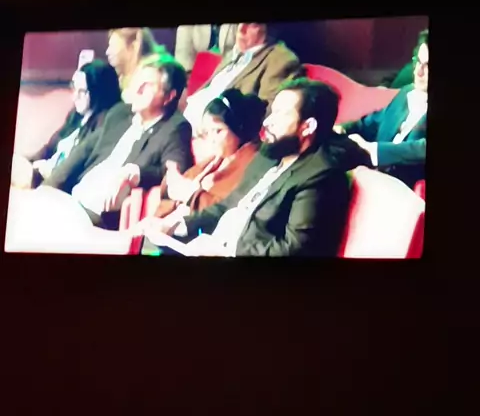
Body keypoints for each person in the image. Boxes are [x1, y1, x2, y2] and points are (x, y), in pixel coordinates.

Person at [142, 79, 351, 258]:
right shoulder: (268, 156)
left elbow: (294, 248)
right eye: (272, 112)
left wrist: (227, 251)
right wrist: (176, 225)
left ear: (308, 126)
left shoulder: (321, 176)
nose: (268, 121)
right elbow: (227, 206)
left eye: (281, 114)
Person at [44, 54, 193, 228]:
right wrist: (47, 190)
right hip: (73, 200)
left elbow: (173, 173)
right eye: (137, 82)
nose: (137, 90)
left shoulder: (175, 127)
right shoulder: (120, 113)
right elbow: (82, 152)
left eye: (146, 85)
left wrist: (136, 172)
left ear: (169, 96)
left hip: (97, 217)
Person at [141, 89, 267, 225]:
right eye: (207, 132)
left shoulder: (251, 165)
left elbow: (224, 210)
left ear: (238, 128)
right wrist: (172, 181)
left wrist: (190, 194)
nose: (211, 139)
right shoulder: (216, 160)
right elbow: (180, 185)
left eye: (218, 131)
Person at [11, 60, 122, 191]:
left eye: (82, 91)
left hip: (50, 183)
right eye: (74, 88)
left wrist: (39, 179)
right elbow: (48, 149)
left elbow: (70, 170)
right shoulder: (76, 116)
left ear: (98, 92)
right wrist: (27, 162)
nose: (74, 97)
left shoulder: (103, 126)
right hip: (37, 173)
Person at [338, 30, 428, 188]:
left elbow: (421, 149)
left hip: (402, 189)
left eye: (427, 66)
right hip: (369, 177)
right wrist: (342, 129)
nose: (418, 72)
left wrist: (373, 151)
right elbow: (372, 122)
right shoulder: (406, 92)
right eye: (418, 62)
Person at [182, 23, 302, 134]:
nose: (241, 29)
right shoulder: (234, 52)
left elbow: (267, 114)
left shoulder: (280, 59)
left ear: (268, 30)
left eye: (251, 24)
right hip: (187, 116)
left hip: (210, 130)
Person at [106, 28, 167, 101]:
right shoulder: (122, 80)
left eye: (113, 46)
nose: (107, 52)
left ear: (133, 46)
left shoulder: (148, 81)